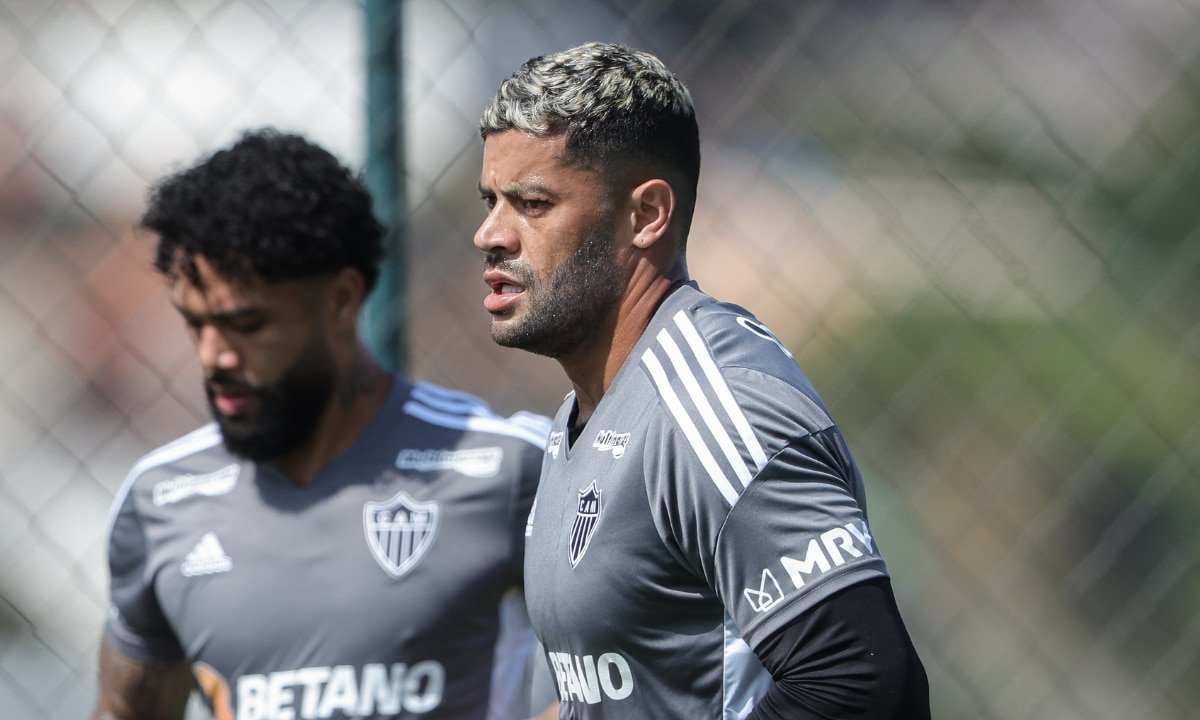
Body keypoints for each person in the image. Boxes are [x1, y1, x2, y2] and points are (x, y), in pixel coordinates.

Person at [472, 42, 930, 719]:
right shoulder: (589, 411)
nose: (490, 234)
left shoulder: (715, 403)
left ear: (647, 215)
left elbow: (863, 684)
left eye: (532, 203)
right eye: (490, 201)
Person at [92, 128, 555, 720]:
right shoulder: (160, 503)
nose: (214, 357)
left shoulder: (507, 468)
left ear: (340, 300)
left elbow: (633, 675)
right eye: (196, 324)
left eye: (247, 324)